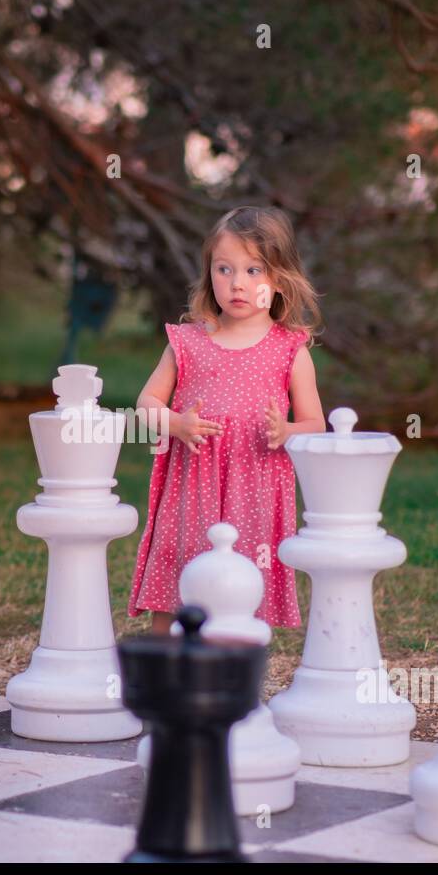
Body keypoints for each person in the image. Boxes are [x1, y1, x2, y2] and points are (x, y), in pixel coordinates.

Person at [127, 206, 326, 634]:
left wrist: (286, 430)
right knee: (181, 574)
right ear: (208, 274)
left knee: (242, 582)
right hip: (192, 485)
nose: (238, 283)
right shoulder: (188, 341)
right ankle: (166, 670)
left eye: (254, 270)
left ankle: (234, 675)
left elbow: (316, 425)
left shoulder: (290, 349)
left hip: (253, 486)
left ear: (279, 279)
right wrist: (176, 423)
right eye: (224, 269)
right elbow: (146, 401)